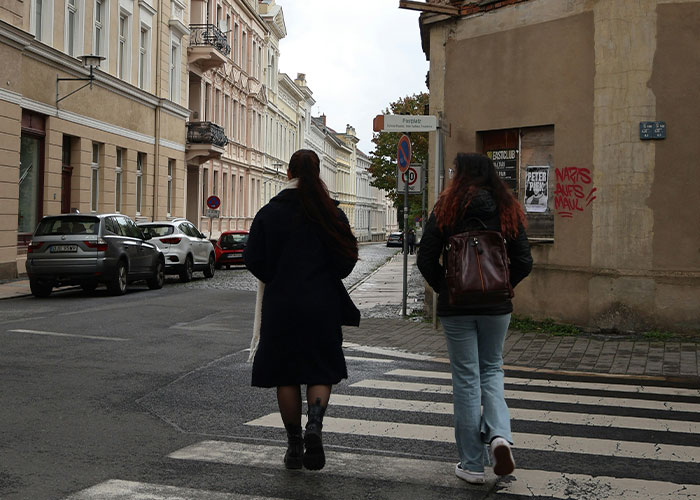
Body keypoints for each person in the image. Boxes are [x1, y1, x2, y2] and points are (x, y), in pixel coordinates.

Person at [417, 153, 532, 484]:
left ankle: (471, 465)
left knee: (466, 379)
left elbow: (426, 259)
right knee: (493, 369)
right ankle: (498, 437)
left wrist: (449, 288)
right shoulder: (506, 207)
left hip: (458, 308)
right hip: (496, 307)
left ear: (460, 175)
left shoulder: (446, 208)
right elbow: (524, 260)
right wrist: (503, 287)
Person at [244, 149, 360, 471]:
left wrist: (277, 277)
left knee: (286, 374)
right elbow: (348, 259)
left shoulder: (269, 212)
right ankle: (315, 427)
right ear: (318, 173)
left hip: (282, 306)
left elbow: (253, 259)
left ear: (288, 173)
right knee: (321, 369)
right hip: (321, 305)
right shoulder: (331, 214)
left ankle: (294, 444)